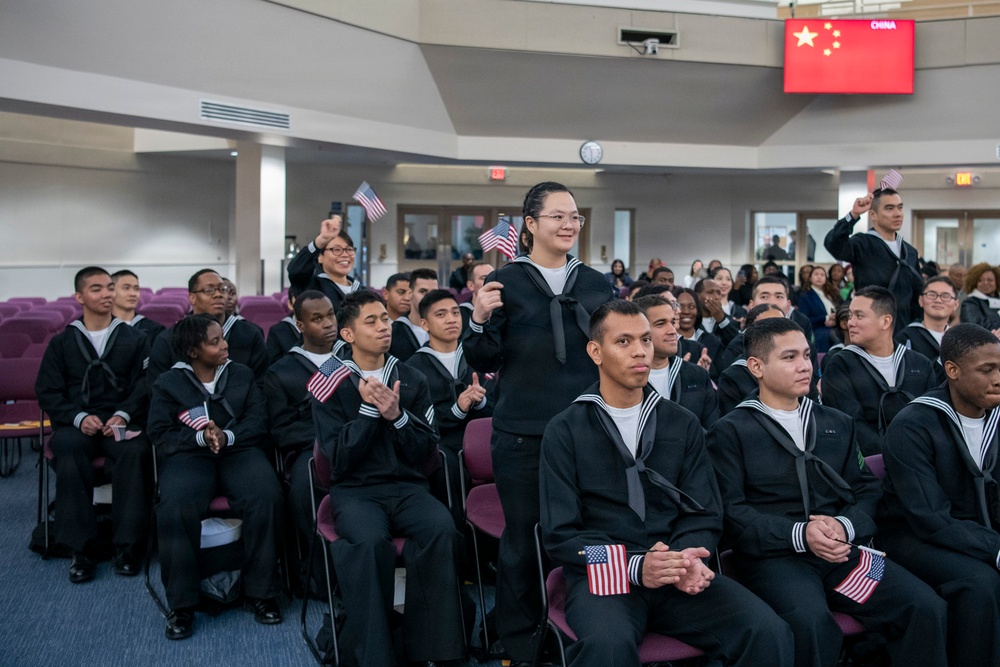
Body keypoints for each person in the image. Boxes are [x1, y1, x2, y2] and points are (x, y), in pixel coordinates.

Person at [539, 300, 794, 667]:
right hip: (609, 576)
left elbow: (704, 512)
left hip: (676, 569)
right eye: (623, 342)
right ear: (595, 351)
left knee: (768, 631)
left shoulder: (681, 422)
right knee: (606, 650)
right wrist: (636, 565)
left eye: (644, 339)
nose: (641, 350)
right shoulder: (565, 430)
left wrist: (686, 557)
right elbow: (561, 535)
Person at [707, 317, 948, 667]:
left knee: (923, 606)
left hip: (840, 553)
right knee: (811, 624)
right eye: (789, 357)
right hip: (777, 557)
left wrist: (844, 527)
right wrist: (800, 534)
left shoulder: (835, 422)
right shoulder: (730, 431)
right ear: (756, 367)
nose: (805, 365)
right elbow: (732, 511)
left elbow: (868, 489)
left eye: (807, 355)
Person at [464, 181, 614, 664]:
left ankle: (587, 625)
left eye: (575, 217)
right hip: (523, 434)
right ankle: (521, 638)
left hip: (588, 429)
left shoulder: (594, 284)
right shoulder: (506, 283)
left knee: (592, 531)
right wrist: (480, 320)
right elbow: (485, 358)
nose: (569, 225)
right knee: (525, 538)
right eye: (558, 216)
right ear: (529, 224)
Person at [311, 290, 465, 667]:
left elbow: (428, 451)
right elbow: (338, 459)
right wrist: (368, 412)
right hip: (355, 491)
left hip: (407, 487)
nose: (384, 326)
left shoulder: (411, 376)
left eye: (385, 318)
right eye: (372, 321)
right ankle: (374, 655)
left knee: (441, 529)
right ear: (348, 334)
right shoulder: (328, 379)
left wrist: (397, 417)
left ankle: (435, 651)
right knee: (368, 543)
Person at [148, 314, 283, 640]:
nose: (225, 345)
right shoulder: (169, 382)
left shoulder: (241, 373)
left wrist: (229, 436)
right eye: (215, 341)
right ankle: (181, 604)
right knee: (176, 506)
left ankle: (261, 593)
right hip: (189, 455)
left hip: (239, 450)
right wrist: (198, 438)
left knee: (266, 496)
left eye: (224, 338)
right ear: (193, 351)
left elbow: (257, 421)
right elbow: (159, 433)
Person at [879, 324, 1000, 667]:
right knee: (980, 583)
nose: (998, 378)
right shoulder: (913, 424)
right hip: (912, 535)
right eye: (986, 370)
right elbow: (928, 516)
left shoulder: (997, 418)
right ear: (952, 370)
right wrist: (996, 549)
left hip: (977, 528)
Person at [35, 267, 152, 583]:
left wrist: (124, 415)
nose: (107, 294)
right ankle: (81, 549)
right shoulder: (63, 342)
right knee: (68, 449)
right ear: (80, 297)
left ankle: (127, 546)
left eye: (110, 287)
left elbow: (144, 384)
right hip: (77, 423)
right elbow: (48, 390)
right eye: (98, 289)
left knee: (135, 449)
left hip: (119, 420)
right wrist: (78, 418)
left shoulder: (135, 338)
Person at [405, 289, 493, 524]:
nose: (452, 319)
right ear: (424, 323)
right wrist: (458, 408)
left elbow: (500, 403)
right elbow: (418, 420)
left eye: (455, 312)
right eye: (441, 315)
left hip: (482, 436)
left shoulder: (478, 355)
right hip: (444, 442)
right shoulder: (414, 368)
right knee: (447, 462)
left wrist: (481, 400)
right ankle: (459, 535)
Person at [261, 291, 341, 546]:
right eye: (317, 319)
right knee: (303, 491)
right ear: (300, 325)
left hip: (357, 442)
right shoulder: (281, 371)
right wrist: (325, 436)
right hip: (310, 449)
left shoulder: (352, 358)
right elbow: (281, 430)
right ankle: (316, 561)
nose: (328, 323)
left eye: (330, 315)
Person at [821, 287, 936, 455]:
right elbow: (849, 423)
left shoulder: (920, 364)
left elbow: (931, 418)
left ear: (885, 322)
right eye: (850, 315)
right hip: (868, 463)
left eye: (859, 316)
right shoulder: (839, 364)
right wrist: (894, 454)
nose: (850, 323)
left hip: (920, 455)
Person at [824, 188, 923, 333]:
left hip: (903, 330)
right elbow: (833, 244)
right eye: (889, 209)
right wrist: (853, 215)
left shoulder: (909, 252)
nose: (897, 214)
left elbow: (916, 296)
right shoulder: (863, 243)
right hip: (871, 329)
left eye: (899, 208)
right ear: (873, 215)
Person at [147, 269, 267, 385]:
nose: (218, 294)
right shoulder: (169, 338)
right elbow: (157, 388)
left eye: (223, 289)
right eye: (209, 290)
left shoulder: (250, 334)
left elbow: (261, 384)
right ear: (192, 297)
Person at [635, 295, 718, 430]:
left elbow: (712, 433)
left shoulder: (698, 376)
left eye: (673, 322)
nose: (673, 331)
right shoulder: (625, 378)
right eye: (661, 324)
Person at [716, 304, 785, 416]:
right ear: (749, 335)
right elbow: (732, 422)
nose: (775, 335)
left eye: (782, 328)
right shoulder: (733, 377)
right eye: (766, 329)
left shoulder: (798, 366)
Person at [287, 216, 362, 314]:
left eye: (349, 249)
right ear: (320, 257)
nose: (345, 254)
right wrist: (319, 242)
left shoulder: (361, 290)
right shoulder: (312, 286)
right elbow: (295, 270)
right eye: (337, 250)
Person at [895, 276, 958, 383]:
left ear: (956, 304)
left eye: (945, 296)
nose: (938, 300)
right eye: (932, 295)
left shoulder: (960, 339)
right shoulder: (905, 337)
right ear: (921, 300)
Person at [388, 268, 438, 362]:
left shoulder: (446, 328)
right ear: (410, 294)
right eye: (423, 291)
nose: (429, 297)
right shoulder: (393, 332)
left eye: (434, 292)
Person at [675, 288, 722, 380]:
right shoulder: (667, 342)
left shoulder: (712, 341)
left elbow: (719, 379)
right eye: (680, 306)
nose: (686, 311)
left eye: (692, 307)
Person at [110, 269, 165, 340]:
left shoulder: (154, 330)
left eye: (136, 289)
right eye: (126, 288)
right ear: (111, 291)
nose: (133, 294)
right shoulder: (101, 327)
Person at [798, 266, 841, 354]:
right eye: (816, 274)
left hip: (836, 326)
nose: (819, 277)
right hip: (818, 329)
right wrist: (826, 318)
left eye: (822, 275)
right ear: (810, 278)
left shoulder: (832, 294)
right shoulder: (806, 296)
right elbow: (804, 320)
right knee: (837, 337)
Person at [693, 277, 741, 347]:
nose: (716, 297)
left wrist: (722, 321)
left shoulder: (730, 321)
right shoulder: (692, 322)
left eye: (718, 293)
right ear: (698, 296)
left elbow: (738, 345)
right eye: (710, 292)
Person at [265, 286, 303, 367]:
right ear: (290, 304)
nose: (305, 303)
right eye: (299, 298)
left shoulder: (325, 328)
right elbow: (274, 366)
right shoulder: (278, 331)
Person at [960, 262, 1000, 330]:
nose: (985, 283)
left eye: (990, 280)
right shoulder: (969, 303)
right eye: (980, 280)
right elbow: (975, 327)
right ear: (974, 283)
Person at [459, 261, 493, 330]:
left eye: (493, 276)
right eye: (484, 278)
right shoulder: (460, 314)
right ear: (471, 285)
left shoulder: (505, 311)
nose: (491, 280)